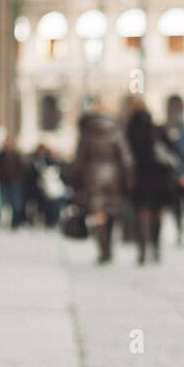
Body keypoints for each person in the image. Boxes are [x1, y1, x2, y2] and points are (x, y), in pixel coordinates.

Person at [68, 97, 130, 263]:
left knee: (98, 214)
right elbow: (126, 159)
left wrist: (75, 180)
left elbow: (79, 160)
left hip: (92, 177)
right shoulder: (117, 131)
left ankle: (103, 249)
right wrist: (127, 179)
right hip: (113, 177)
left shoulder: (87, 132)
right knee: (112, 213)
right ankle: (109, 247)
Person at [125, 99, 177, 265]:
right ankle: (155, 248)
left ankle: (142, 250)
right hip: (159, 179)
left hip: (140, 178)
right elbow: (172, 152)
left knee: (142, 213)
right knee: (157, 213)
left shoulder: (129, 131)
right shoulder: (157, 129)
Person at [0, 137, 26, 229]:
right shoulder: (0, 156)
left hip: (15, 183)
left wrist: (18, 178)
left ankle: (15, 223)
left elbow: (23, 168)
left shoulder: (17, 155)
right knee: (2, 202)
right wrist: (0, 177)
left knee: (16, 203)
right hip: (3, 182)